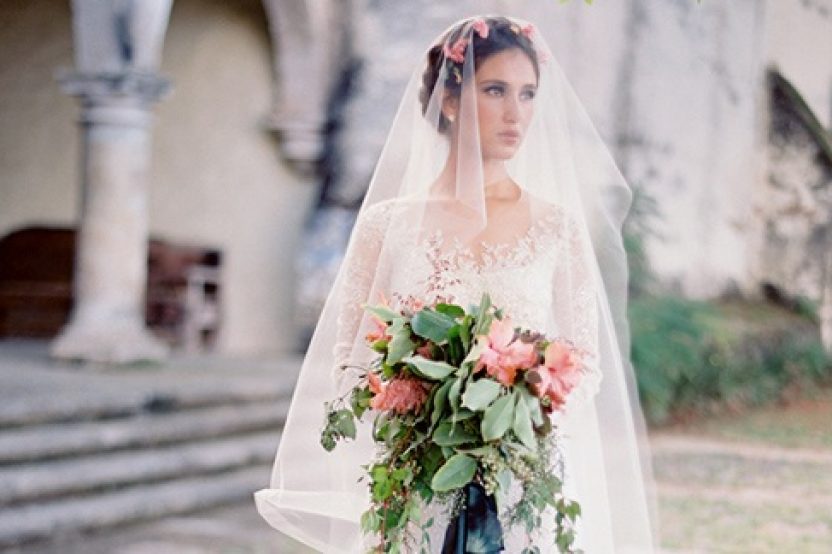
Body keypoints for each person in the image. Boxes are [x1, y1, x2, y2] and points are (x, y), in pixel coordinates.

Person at [256, 15, 659, 553]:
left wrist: (516, 400)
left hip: (524, 486)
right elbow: (350, 364)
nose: (516, 113)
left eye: (528, 93)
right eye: (496, 90)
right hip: (416, 484)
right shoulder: (386, 226)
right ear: (449, 100)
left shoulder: (556, 228)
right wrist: (420, 398)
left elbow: (585, 367)